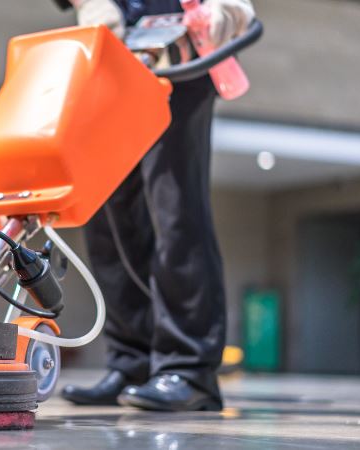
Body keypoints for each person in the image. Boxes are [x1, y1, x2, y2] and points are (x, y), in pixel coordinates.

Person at [51, 0, 255, 411]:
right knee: (109, 217)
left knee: (175, 209)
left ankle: (189, 368)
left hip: (180, 49)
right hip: (111, 51)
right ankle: (133, 362)